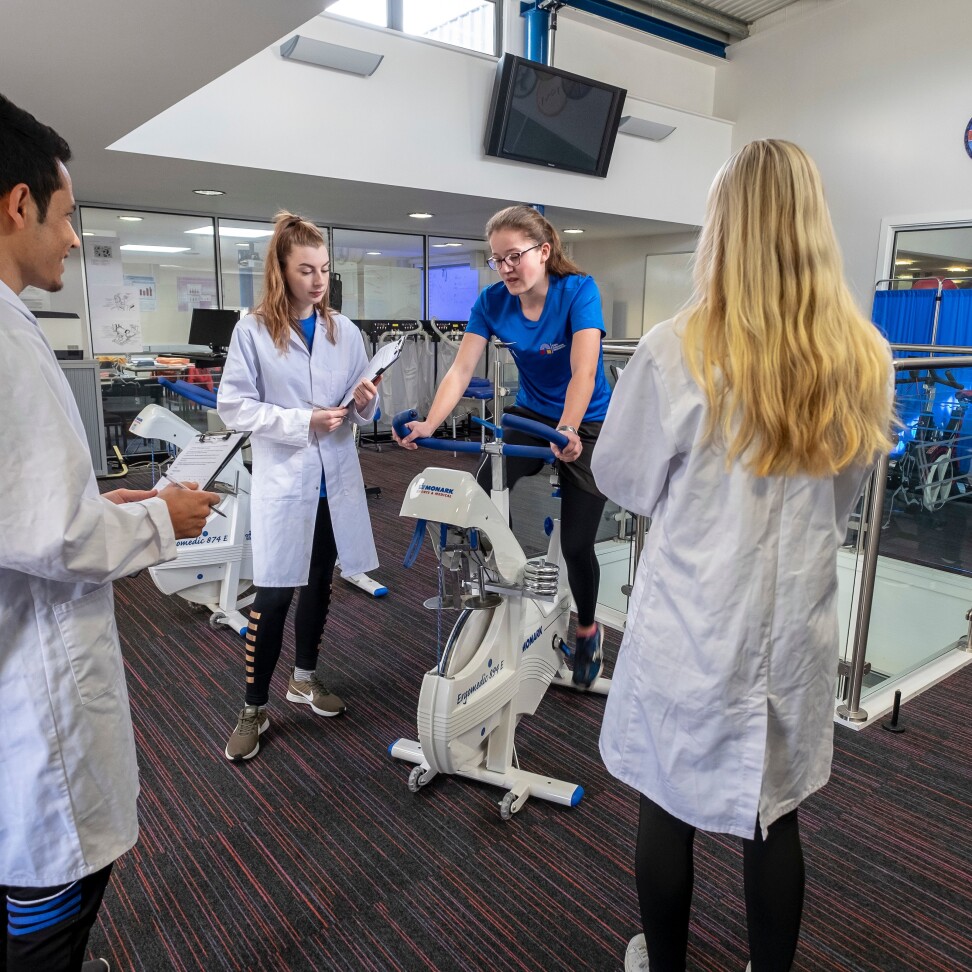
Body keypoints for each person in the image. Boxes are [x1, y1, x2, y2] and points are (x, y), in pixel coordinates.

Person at [592, 139, 894, 972]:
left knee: (666, 798)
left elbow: (622, 479)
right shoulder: (862, 359)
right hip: (793, 623)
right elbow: (844, 502)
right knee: (776, 813)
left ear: (722, 227)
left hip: (694, 617)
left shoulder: (676, 349)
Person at [0, 93, 219, 972]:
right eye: (65, 216)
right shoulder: (6, 339)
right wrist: (162, 518)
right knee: (53, 898)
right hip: (34, 682)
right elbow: (55, 536)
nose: (73, 238)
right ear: (17, 206)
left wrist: (110, 509)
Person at [395, 204, 612, 685]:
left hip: (589, 421)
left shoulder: (578, 291)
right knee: (480, 495)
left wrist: (571, 430)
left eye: (515, 256)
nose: (507, 267)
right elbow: (461, 369)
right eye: (497, 259)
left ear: (544, 250)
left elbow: (585, 371)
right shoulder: (492, 302)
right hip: (534, 415)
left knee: (577, 545)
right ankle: (507, 580)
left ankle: (587, 626)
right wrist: (431, 422)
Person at [217, 212, 380, 762]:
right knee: (274, 592)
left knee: (318, 584)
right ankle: (253, 706)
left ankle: (304, 678)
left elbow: (364, 398)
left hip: (332, 484)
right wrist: (299, 422)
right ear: (282, 271)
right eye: (306, 269)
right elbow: (234, 406)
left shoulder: (344, 330)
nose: (318, 280)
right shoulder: (254, 330)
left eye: (325, 269)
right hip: (286, 482)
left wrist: (363, 402)